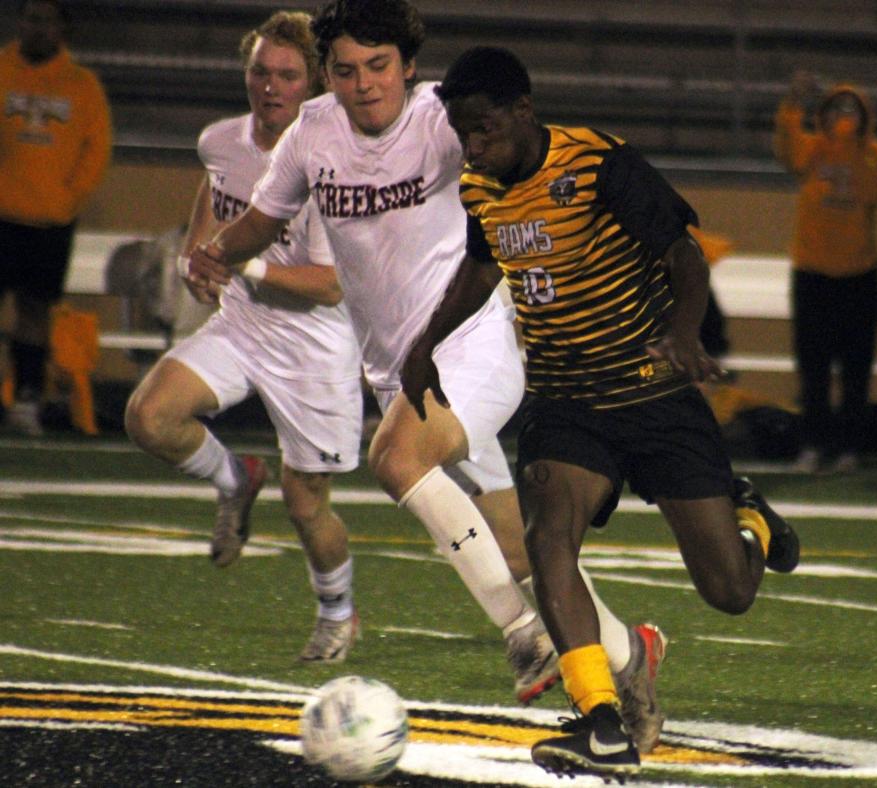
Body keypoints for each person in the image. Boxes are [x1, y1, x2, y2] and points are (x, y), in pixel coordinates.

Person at [186, 0, 657, 709]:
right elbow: (262, 217)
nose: (363, 84)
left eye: (378, 67)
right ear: (328, 76)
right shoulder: (314, 133)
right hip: (396, 372)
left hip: (471, 343)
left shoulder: (444, 118)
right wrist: (217, 254)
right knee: (520, 546)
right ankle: (629, 652)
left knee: (395, 458)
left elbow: (538, 167)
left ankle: (524, 635)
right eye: (344, 71)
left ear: (408, 68)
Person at [400, 47, 801, 780]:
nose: (475, 145)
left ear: (525, 111)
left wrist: (684, 331)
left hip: (653, 392)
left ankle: (749, 519)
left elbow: (684, 255)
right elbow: (485, 265)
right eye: (464, 133)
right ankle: (600, 720)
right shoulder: (478, 185)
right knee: (548, 537)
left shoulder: (598, 164)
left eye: (485, 128)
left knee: (731, 592)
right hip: (566, 398)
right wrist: (427, 342)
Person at [125, 11, 366, 662]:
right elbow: (216, 200)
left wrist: (243, 262)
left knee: (306, 505)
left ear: (312, 84)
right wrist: (197, 263)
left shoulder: (333, 160)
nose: (270, 85)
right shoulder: (222, 140)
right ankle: (234, 478)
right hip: (244, 322)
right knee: (149, 415)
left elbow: (333, 284)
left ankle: (338, 611)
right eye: (260, 71)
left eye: (288, 75)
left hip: (315, 343)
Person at [0, 0, 111, 436]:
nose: (37, 27)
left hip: (49, 221)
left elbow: (95, 150)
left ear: (63, 27)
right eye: (30, 18)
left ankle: (27, 398)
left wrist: (66, 201)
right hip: (1, 215)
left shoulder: (81, 84)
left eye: (46, 20)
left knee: (34, 312)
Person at [774, 70, 877, 474]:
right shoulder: (813, 150)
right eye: (836, 108)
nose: (844, 115)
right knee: (813, 367)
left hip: (858, 275)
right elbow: (788, 152)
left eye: (851, 109)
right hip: (812, 273)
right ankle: (813, 443)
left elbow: (872, 186)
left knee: (856, 369)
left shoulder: (874, 154)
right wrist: (794, 105)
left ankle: (849, 448)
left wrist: (846, 141)